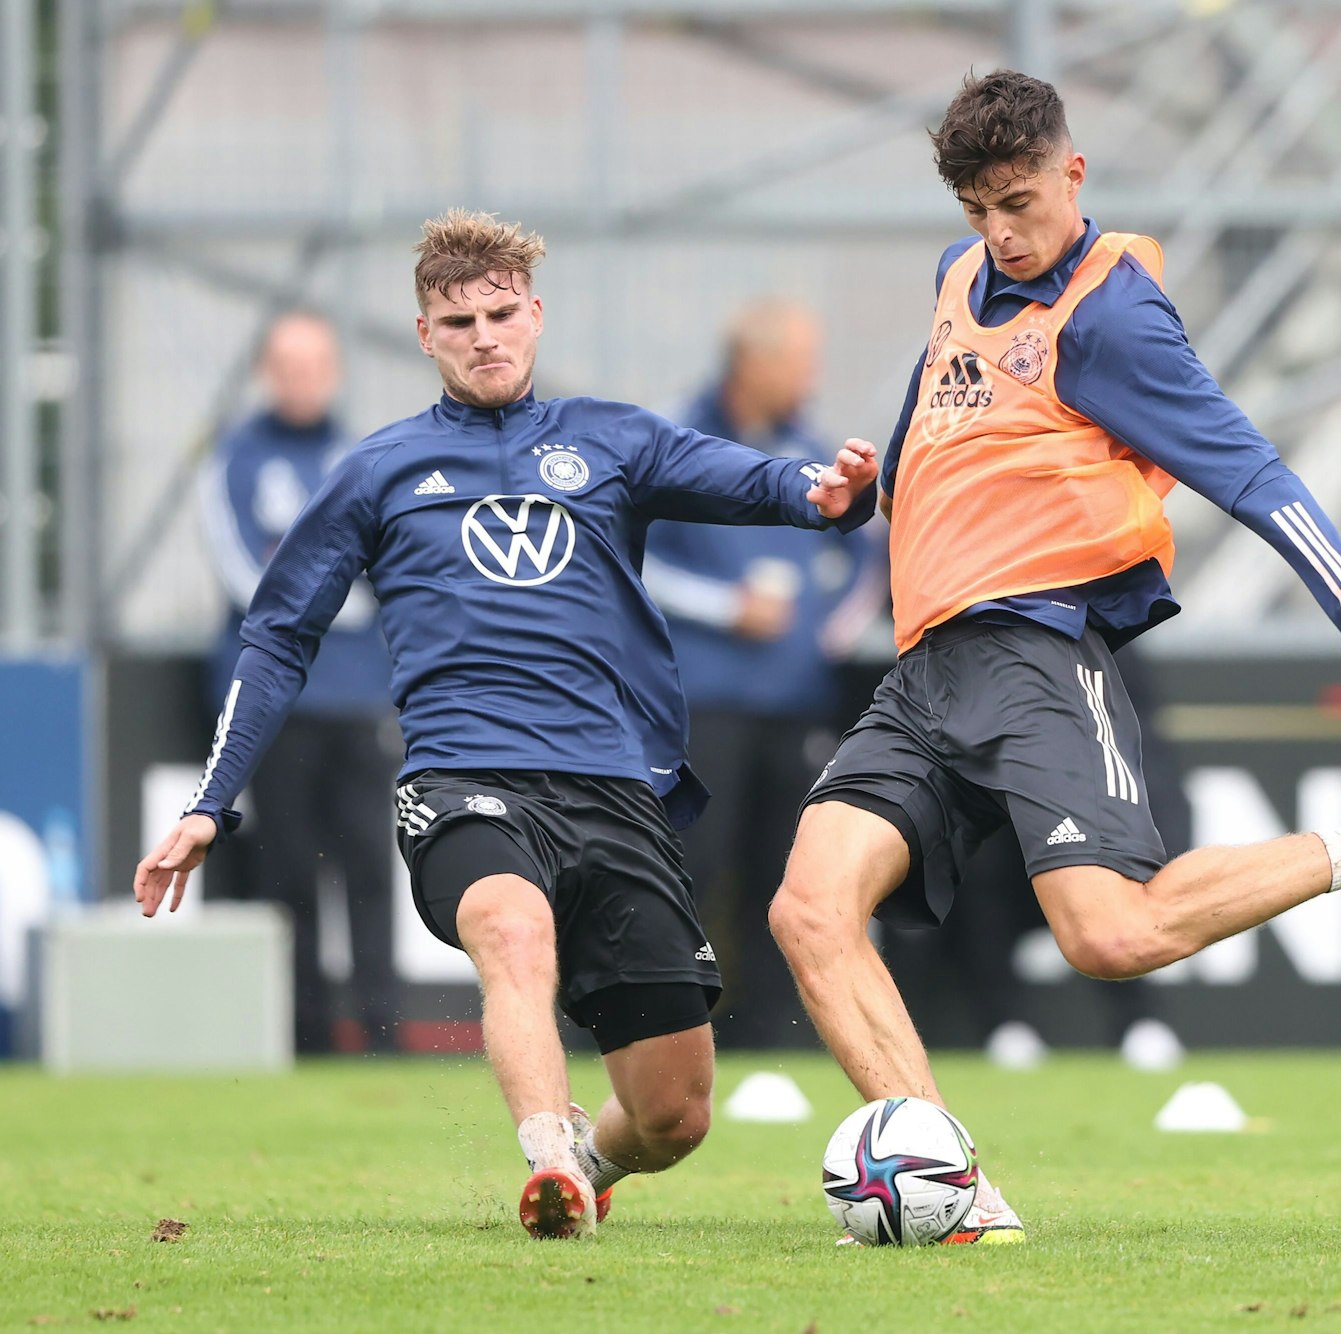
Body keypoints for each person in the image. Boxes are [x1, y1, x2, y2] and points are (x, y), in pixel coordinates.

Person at [767, 71, 1341, 1245]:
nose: (1002, 230)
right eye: (980, 206)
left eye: (1021, 201)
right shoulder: (957, 276)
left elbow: (1244, 463)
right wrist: (863, 493)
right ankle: (951, 1184)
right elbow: (931, 427)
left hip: (1039, 652)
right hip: (926, 667)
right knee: (809, 909)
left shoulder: (1111, 315)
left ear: (1074, 175)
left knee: (1113, 936)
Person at [135, 209, 878, 1240]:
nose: (483, 334)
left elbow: (760, 482)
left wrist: (832, 495)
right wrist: (213, 802)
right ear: (426, 334)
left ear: (533, 313)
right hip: (462, 776)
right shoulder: (376, 470)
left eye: (498, 312)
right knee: (512, 931)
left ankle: (595, 1155)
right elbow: (275, 637)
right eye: (456, 320)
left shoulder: (612, 439)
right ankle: (549, 1160)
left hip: (615, 785)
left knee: (673, 1110)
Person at [644, 298, 885, 1048]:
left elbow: (863, 555)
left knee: (785, 874)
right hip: (700, 704)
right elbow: (627, 558)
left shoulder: (808, 446)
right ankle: (656, 1023)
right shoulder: (675, 443)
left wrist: (825, 633)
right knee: (689, 866)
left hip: (794, 702)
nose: (810, 379)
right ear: (756, 361)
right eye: (800, 362)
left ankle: (773, 1036)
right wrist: (724, 607)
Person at [200, 311, 402, 1055]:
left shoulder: (366, 459)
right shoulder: (232, 460)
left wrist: (321, 597)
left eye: (314, 363)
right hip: (277, 701)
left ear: (336, 370)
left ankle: (383, 1027)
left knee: (370, 866)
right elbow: (245, 575)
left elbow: (394, 563)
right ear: (265, 372)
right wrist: (329, 599)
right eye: (287, 364)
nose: (301, 378)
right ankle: (305, 1031)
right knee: (289, 868)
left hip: (359, 695)